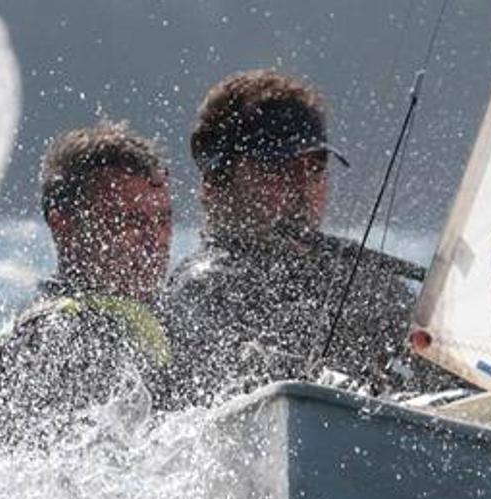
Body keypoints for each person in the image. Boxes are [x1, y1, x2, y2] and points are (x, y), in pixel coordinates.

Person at [158, 68, 443, 407]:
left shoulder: (367, 286)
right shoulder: (199, 289)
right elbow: (247, 376)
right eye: (277, 169)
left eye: (314, 169)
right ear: (215, 184)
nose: (303, 189)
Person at [0, 121, 173, 449]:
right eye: (131, 221)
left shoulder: (148, 316)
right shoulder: (56, 334)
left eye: (163, 220)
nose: (154, 241)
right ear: (63, 225)